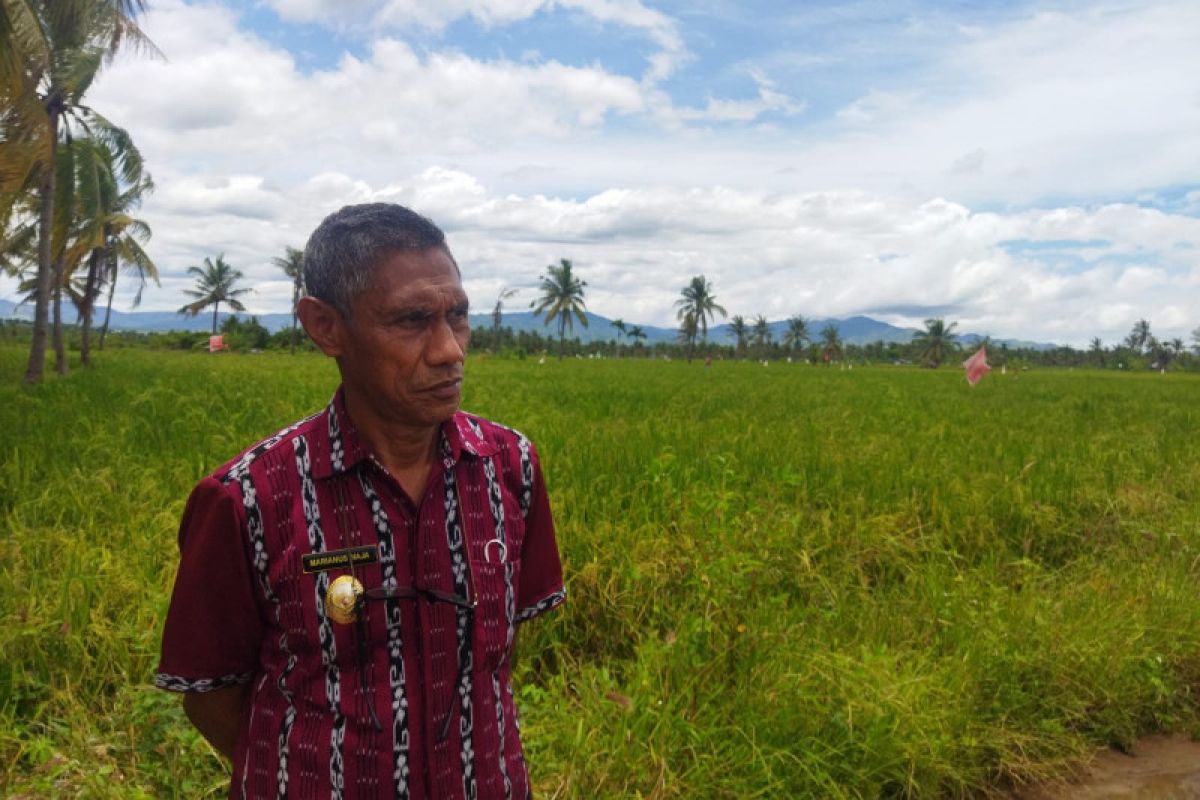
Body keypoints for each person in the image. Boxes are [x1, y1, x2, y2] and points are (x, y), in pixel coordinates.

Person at [156, 203, 566, 799]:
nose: (450, 350)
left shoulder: (510, 466)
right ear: (326, 327)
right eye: (411, 321)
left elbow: (494, 661)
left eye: (458, 316)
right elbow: (211, 693)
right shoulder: (247, 498)